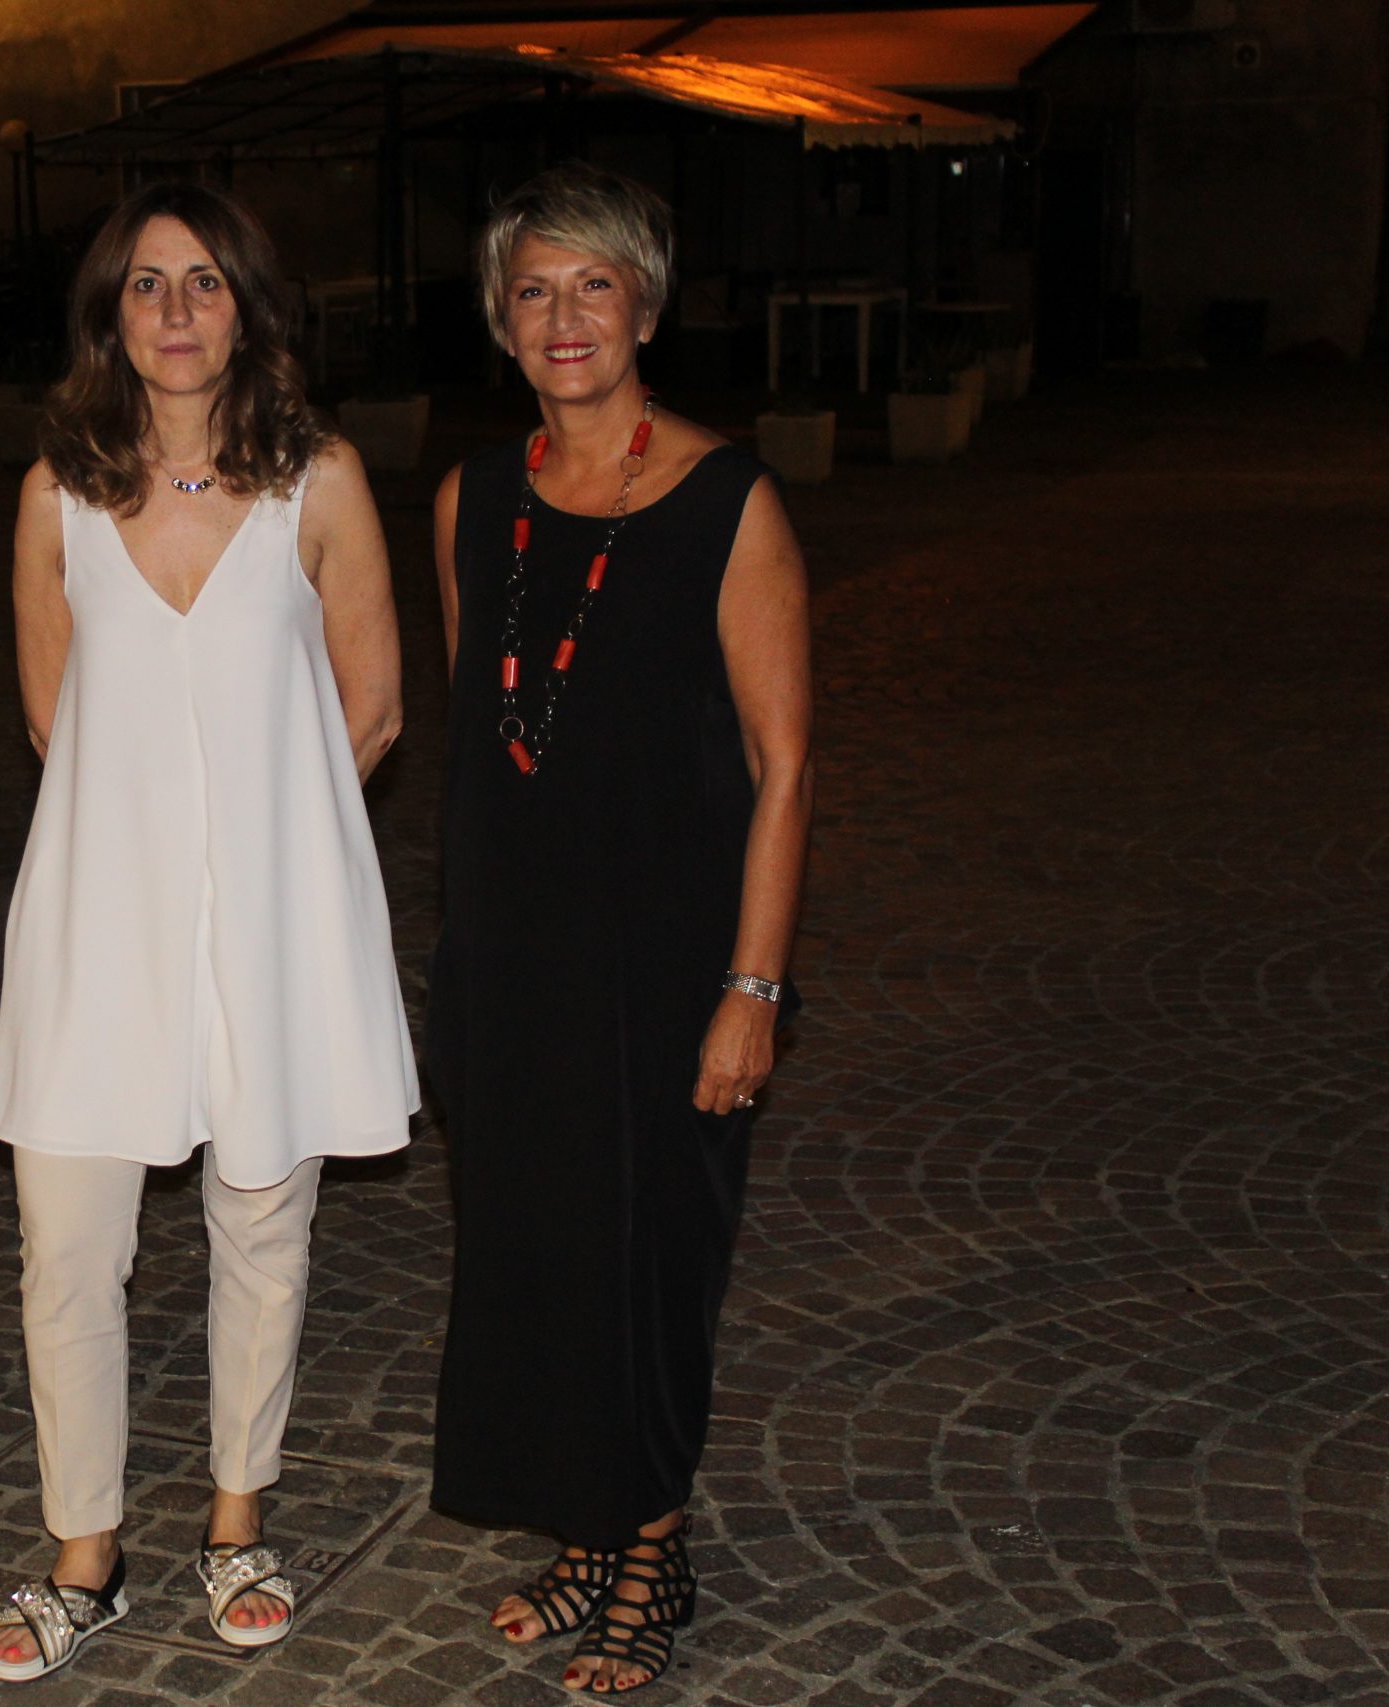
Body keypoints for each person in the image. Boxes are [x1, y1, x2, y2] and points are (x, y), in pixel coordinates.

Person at [0, 181, 418, 1681]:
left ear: (249, 308)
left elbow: (372, 706)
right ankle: (84, 1554)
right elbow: (54, 716)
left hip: (274, 920)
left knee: (263, 1229)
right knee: (67, 1243)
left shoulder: (321, 480)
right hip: (101, 915)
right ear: (111, 313)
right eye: (148, 283)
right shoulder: (55, 493)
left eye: (205, 282)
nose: (176, 310)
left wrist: (269, 846)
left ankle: (237, 1522)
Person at [426, 162, 813, 1695]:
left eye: (595, 283)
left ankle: (654, 1549)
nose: (564, 315)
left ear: (646, 305)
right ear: (500, 319)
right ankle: (592, 1527)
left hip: (666, 965)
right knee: (536, 1257)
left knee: (650, 1262)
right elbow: (488, 739)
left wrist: (754, 985)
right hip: (513, 963)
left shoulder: (729, 499)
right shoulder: (472, 500)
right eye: (533, 289)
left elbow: (785, 763)